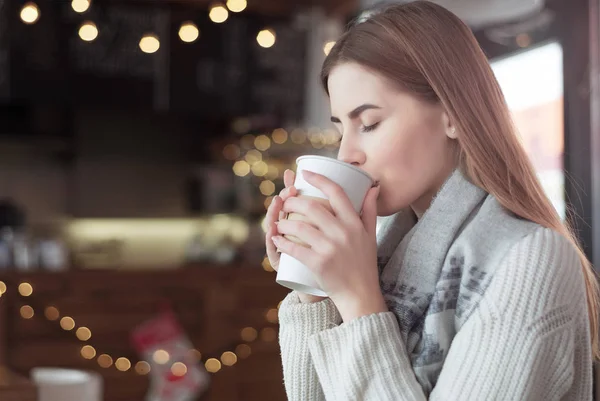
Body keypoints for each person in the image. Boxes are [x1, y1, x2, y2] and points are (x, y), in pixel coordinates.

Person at [264, 1, 599, 400]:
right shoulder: (383, 252)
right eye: (342, 130)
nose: (347, 154)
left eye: (369, 124)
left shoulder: (530, 259)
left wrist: (358, 299)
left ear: (452, 114)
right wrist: (316, 288)